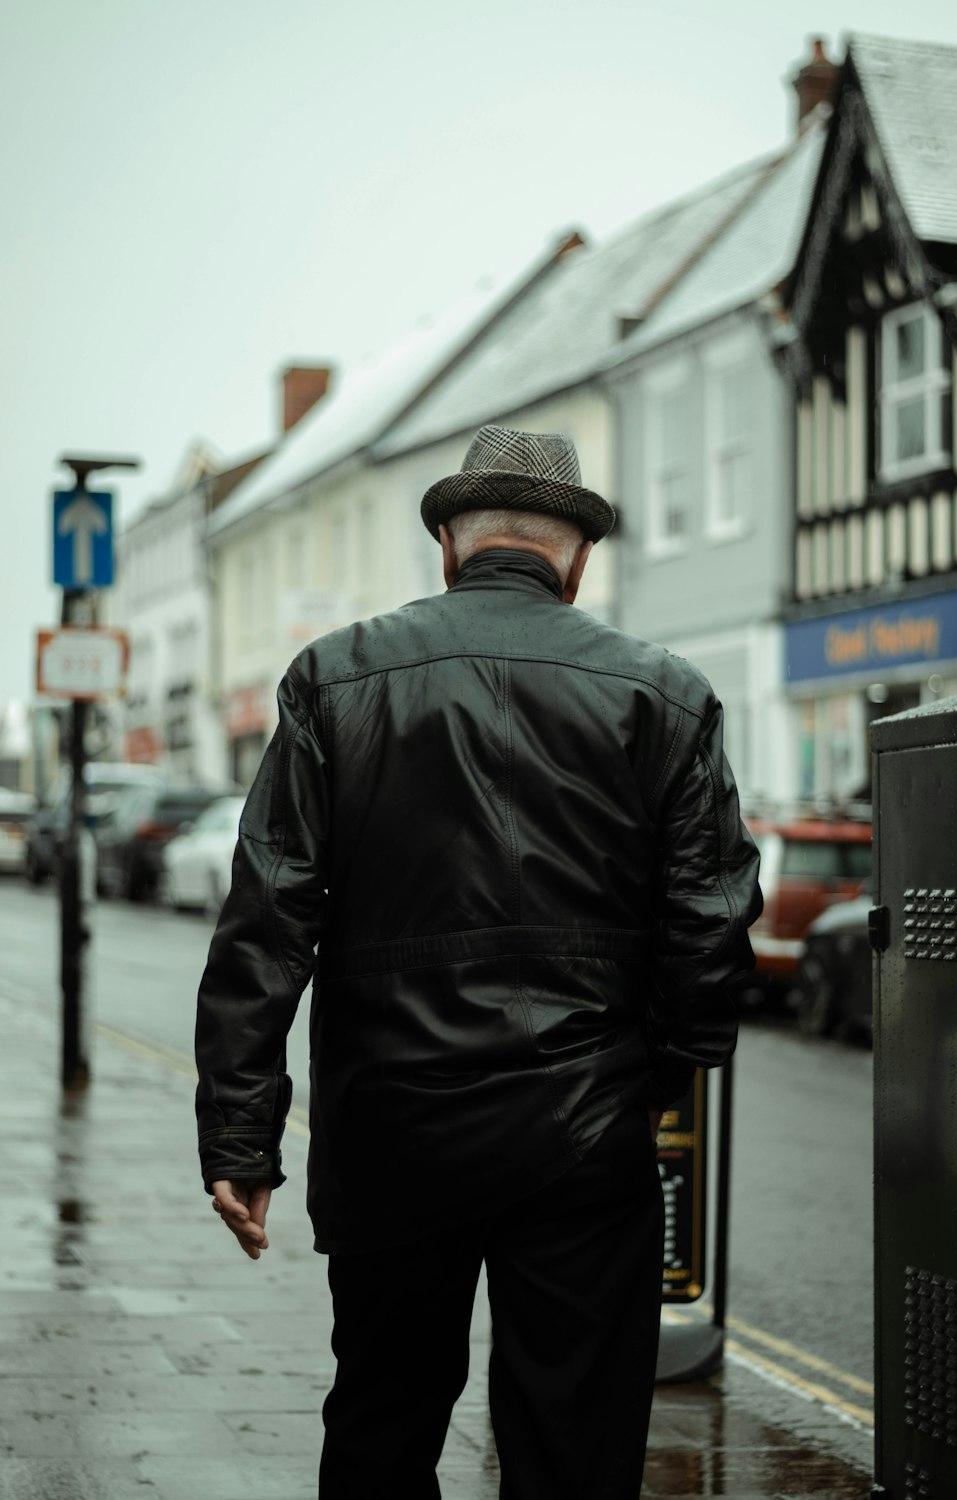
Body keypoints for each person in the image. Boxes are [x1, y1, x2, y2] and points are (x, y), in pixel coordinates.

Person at [195, 423, 762, 1500]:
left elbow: (267, 919)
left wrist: (240, 1135)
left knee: (382, 1421)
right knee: (572, 1442)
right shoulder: (664, 695)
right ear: (576, 555)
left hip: (390, 1126)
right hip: (585, 1134)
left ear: (448, 543)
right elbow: (711, 919)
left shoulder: (334, 678)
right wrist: (654, 1076)